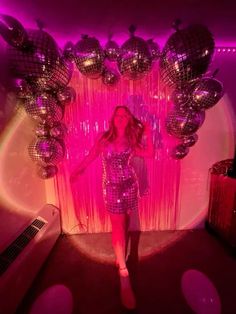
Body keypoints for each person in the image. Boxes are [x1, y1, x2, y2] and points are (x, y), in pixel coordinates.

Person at [70, 105, 154, 309]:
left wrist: (149, 134)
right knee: (117, 225)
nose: (121, 117)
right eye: (118, 114)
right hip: (112, 188)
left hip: (129, 185)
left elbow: (149, 154)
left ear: (129, 120)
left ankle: (120, 255)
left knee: (125, 222)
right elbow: (91, 156)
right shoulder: (104, 138)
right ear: (113, 118)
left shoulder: (132, 140)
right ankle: (124, 275)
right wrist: (78, 170)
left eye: (125, 115)